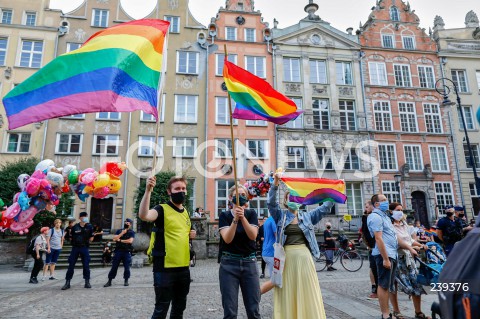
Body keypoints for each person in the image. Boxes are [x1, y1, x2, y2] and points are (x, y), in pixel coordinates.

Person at [261, 172, 333, 319]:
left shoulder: (308, 216)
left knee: (306, 290)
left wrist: (331, 189)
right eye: (290, 196)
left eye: (296, 196)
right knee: (287, 289)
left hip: (304, 259)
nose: (293, 199)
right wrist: (275, 183)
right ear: (286, 201)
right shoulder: (280, 215)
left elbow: (326, 207)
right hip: (286, 259)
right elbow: (270, 202)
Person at [138, 176, 196, 319]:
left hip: (183, 267)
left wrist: (190, 235)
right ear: (169, 192)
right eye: (177, 189)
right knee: (161, 309)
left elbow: (182, 234)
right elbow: (144, 215)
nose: (181, 191)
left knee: (179, 308)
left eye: (183, 189)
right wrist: (148, 191)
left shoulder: (186, 212)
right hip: (164, 268)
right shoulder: (161, 209)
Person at [218, 184, 260, 319]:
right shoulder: (224, 215)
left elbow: (253, 236)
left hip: (249, 263)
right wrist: (235, 219)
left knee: (253, 309)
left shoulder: (251, 214)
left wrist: (243, 218)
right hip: (229, 264)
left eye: (243, 195)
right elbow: (227, 239)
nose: (241, 197)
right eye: (238, 195)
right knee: (230, 310)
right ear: (231, 198)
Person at [389, 202, 430, 319]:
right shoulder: (389, 225)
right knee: (395, 284)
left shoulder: (404, 224)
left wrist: (422, 245)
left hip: (408, 258)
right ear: (391, 211)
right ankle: (396, 311)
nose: (400, 212)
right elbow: (396, 242)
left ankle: (418, 312)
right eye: (398, 210)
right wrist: (411, 248)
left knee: (416, 282)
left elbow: (410, 241)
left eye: (401, 210)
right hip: (396, 258)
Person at [367, 194, 399, 319]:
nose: (387, 202)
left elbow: (391, 235)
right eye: (384, 200)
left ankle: (388, 312)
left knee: (388, 285)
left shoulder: (384, 216)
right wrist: (385, 258)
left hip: (392, 253)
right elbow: (378, 238)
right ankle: (385, 315)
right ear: (376, 204)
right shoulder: (375, 216)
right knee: (383, 284)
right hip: (384, 255)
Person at [62, 212, 94, 290]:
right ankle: (67, 282)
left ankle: (87, 282)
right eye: (83, 217)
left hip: (84, 248)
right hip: (75, 248)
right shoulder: (75, 227)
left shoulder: (89, 227)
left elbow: (92, 237)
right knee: (71, 265)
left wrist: (87, 242)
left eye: (86, 216)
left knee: (86, 265)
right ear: (80, 218)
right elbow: (71, 237)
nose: (85, 218)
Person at [104, 218, 136, 287]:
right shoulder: (119, 231)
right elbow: (114, 239)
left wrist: (120, 240)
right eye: (125, 222)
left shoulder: (131, 232)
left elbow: (130, 241)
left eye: (127, 223)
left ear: (130, 224)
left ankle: (126, 280)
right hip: (118, 251)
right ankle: (109, 281)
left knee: (127, 267)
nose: (126, 224)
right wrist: (122, 233)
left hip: (126, 252)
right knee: (114, 267)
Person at [361, 200, 378, 300]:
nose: (365, 209)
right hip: (373, 246)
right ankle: (374, 287)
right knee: (373, 267)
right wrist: (370, 245)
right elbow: (365, 233)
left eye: (367, 207)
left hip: (378, 245)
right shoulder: (365, 217)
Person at [261, 214, 276, 279]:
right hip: (272, 252)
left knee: (273, 278)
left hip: (266, 251)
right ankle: (259, 289)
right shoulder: (273, 220)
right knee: (275, 280)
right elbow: (277, 235)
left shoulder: (268, 220)